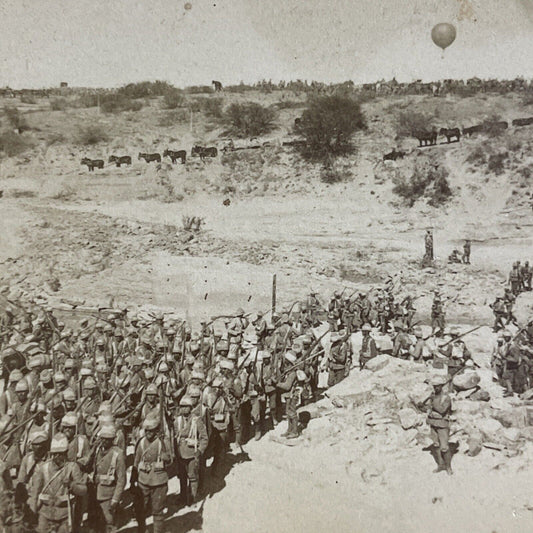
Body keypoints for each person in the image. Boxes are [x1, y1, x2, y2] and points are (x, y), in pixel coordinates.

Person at [30, 433, 87, 533]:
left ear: (66, 453)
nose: (57, 456)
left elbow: (83, 490)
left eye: (61, 454)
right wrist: (32, 512)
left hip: (64, 514)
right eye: (55, 454)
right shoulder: (43, 468)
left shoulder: (72, 467)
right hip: (45, 513)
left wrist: (71, 484)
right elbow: (35, 492)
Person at [132, 417, 171, 533]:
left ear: (157, 431)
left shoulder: (163, 442)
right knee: (140, 509)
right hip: (143, 481)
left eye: (151, 431)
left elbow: (171, 460)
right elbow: (136, 460)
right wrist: (133, 478)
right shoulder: (141, 442)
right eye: (146, 431)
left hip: (159, 481)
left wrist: (166, 458)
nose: (148, 433)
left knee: (157, 511)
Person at [91, 425, 126, 533]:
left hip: (108, 496)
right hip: (95, 493)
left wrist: (116, 499)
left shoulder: (118, 454)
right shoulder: (97, 450)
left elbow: (121, 480)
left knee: (109, 524)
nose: (104, 441)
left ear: (112, 440)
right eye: (102, 438)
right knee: (97, 525)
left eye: (108, 439)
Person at [174, 396, 208, 505]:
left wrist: (200, 450)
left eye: (186, 407)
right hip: (180, 452)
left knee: (192, 476)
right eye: (182, 407)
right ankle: (183, 496)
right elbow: (174, 436)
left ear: (190, 408)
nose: (183, 409)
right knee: (182, 476)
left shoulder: (197, 420)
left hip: (192, 452)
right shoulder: (177, 421)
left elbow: (204, 437)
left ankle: (193, 497)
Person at [426, 375, 453, 475]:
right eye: (434, 386)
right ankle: (440, 465)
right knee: (436, 445)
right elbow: (428, 409)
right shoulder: (432, 396)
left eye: (437, 386)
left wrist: (433, 402)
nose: (435, 388)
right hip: (433, 423)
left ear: (441, 386)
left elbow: (442, 410)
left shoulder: (446, 398)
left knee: (444, 447)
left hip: (442, 425)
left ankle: (448, 467)